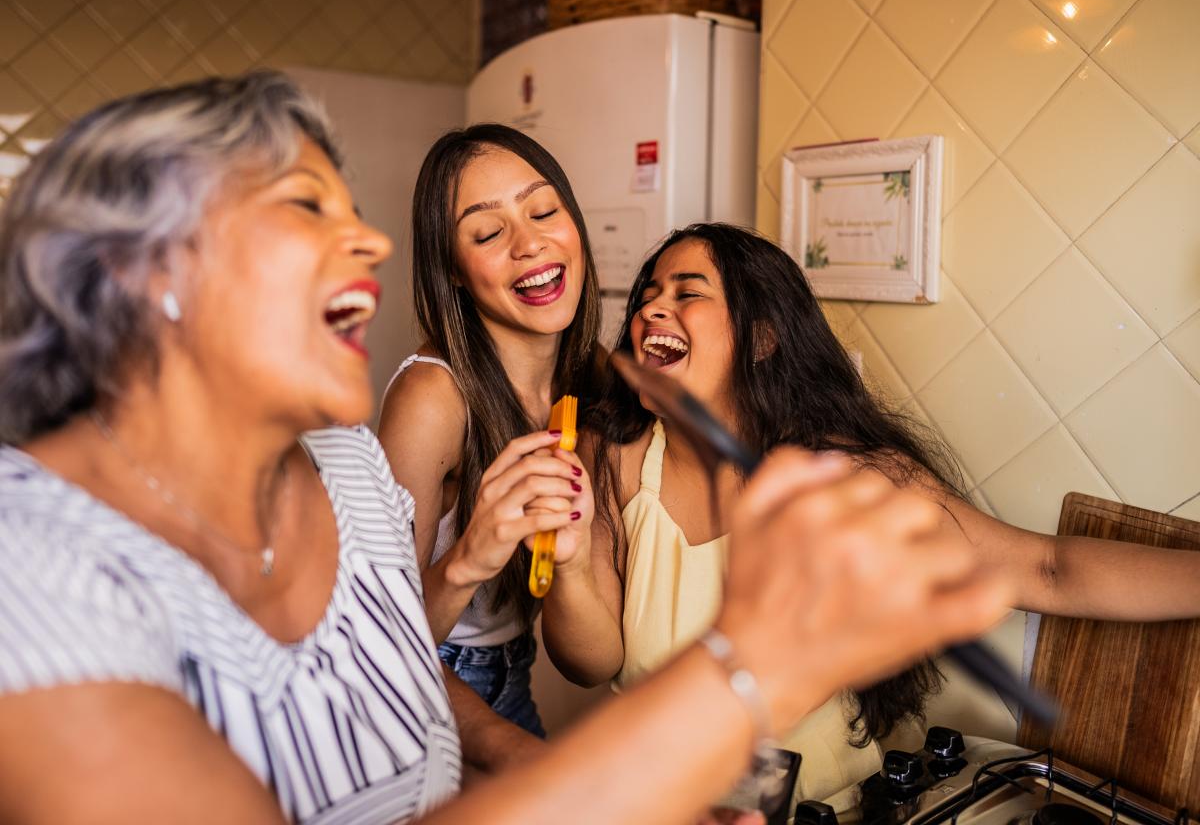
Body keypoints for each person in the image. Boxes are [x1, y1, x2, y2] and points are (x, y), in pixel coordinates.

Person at [0, 73, 1010, 824]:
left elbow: (420, 699)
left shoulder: (347, 474)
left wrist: (612, 783)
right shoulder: (33, 561)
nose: (371, 245)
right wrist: (739, 677)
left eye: (542, 210)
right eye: (307, 209)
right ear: (146, 277)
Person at [541, 222, 1200, 806]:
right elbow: (592, 663)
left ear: (762, 338)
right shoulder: (613, 456)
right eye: (648, 293)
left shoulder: (845, 478)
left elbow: (1048, 569)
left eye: (687, 292)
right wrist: (568, 564)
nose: (653, 306)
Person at [377, 125, 603, 735]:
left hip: (514, 670)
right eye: (487, 232)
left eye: (543, 211)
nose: (529, 243)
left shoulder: (590, 376)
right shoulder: (432, 398)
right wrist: (468, 558)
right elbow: (374, 651)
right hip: (428, 682)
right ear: (451, 269)